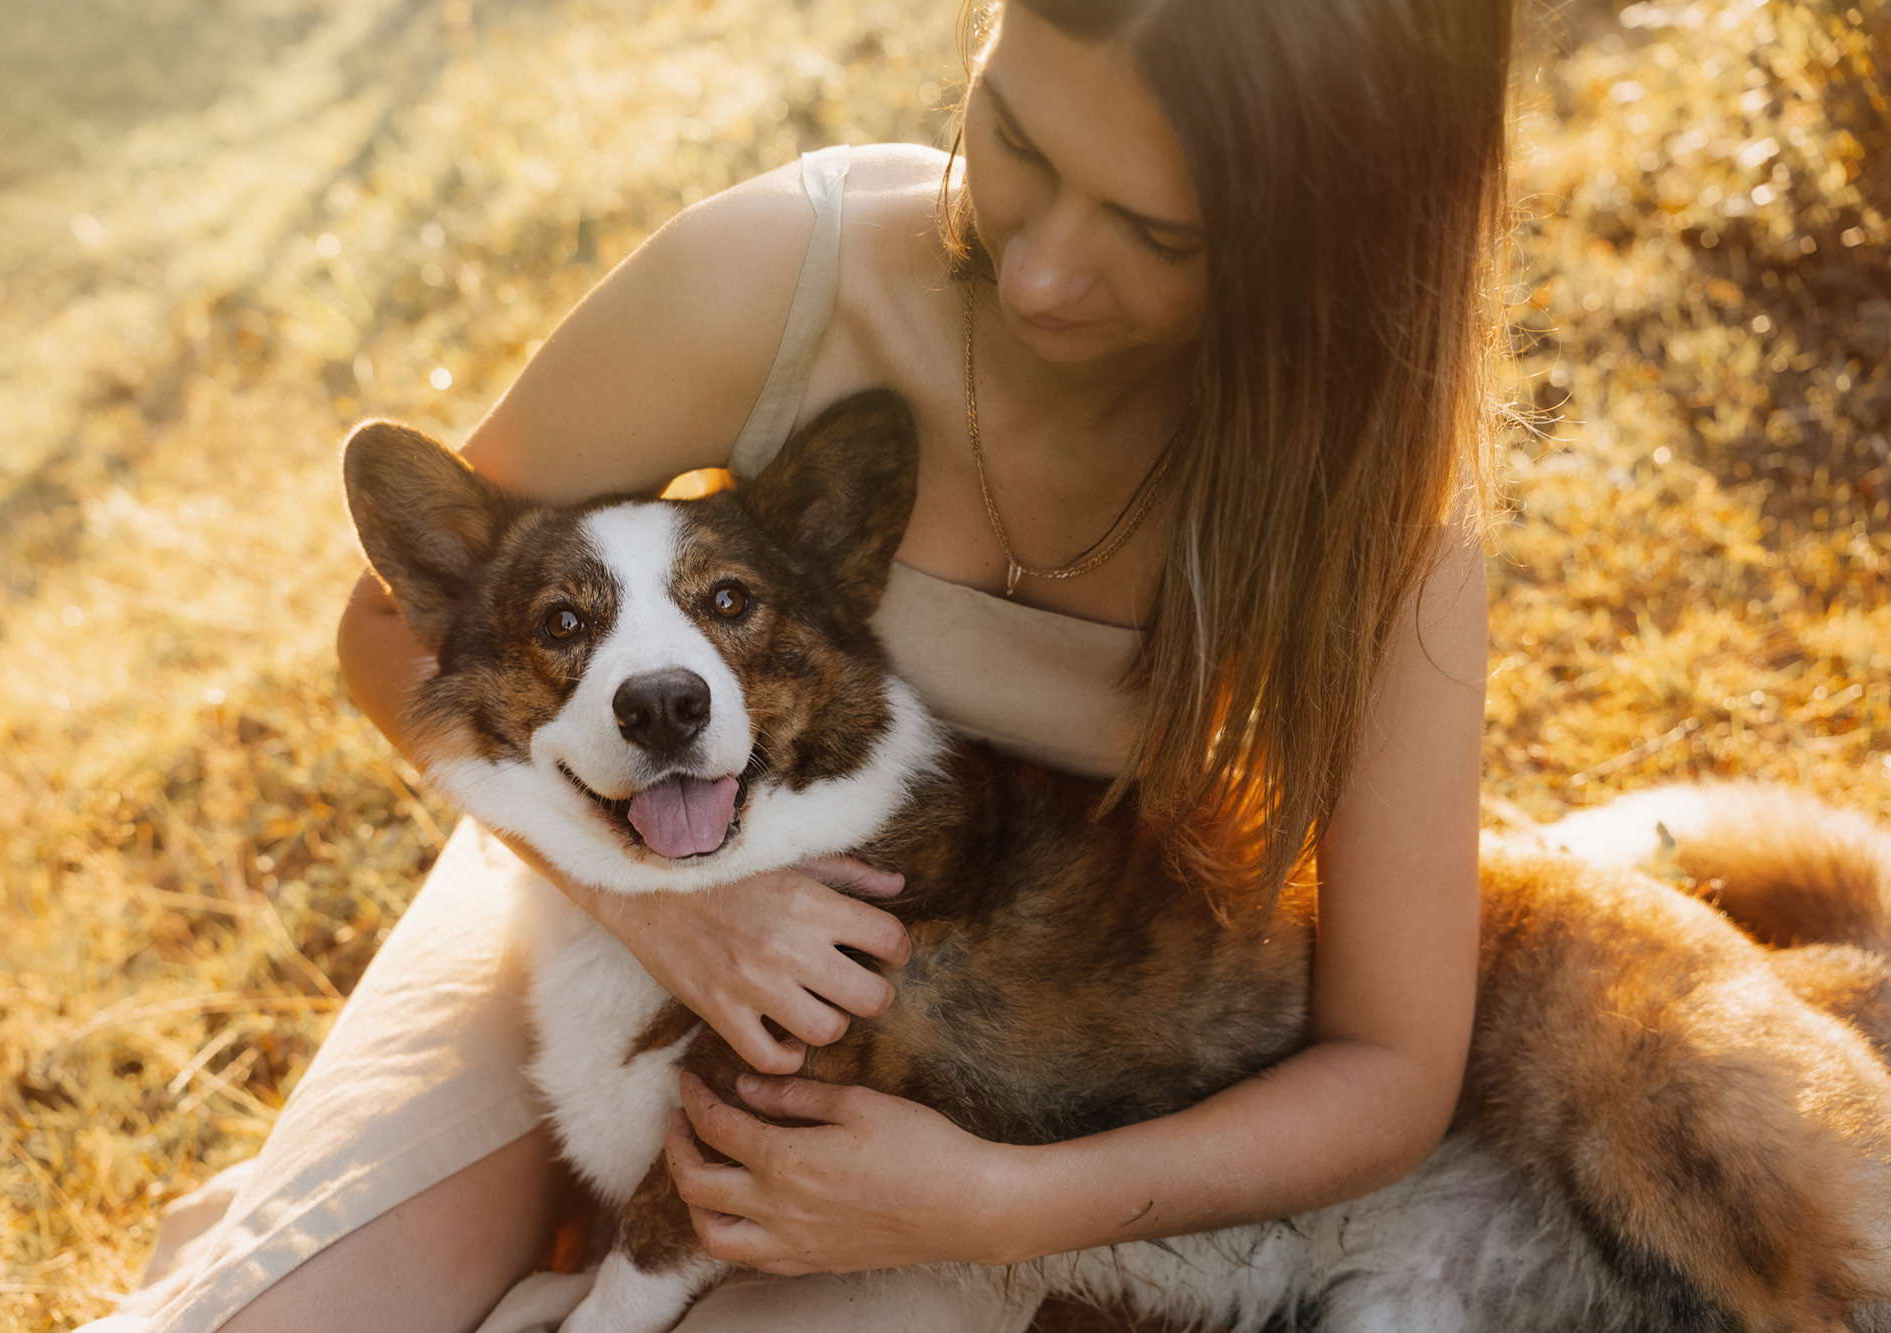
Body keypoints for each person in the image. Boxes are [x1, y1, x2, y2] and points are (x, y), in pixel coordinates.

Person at [93, 0, 1508, 1327]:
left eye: (1157, 230)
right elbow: (389, 619)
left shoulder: (1376, 525)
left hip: (956, 1063)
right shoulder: (777, 275)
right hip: (598, 879)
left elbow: (1391, 1069)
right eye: (1015, 140)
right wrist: (664, 908)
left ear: (1329, 245)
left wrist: (997, 1203)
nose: (1041, 270)